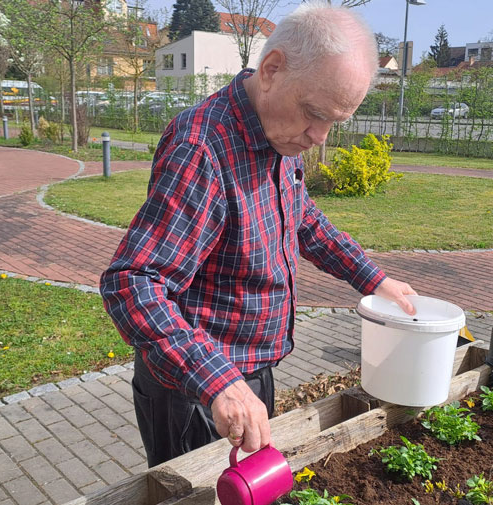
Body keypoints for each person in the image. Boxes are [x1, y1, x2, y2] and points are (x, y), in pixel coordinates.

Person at [99, 3, 417, 467]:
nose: (320, 137)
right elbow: (132, 282)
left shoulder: (279, 133)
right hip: (197, 391)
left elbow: (303, 219)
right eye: (314, 113)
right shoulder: (201, 147)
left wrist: (374, 279)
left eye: (335, 121)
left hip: (248, 373)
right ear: (271, 69)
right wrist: (218, 382)